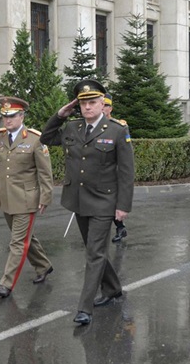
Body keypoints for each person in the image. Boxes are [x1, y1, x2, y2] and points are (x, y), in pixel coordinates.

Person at [40, 79, 135, 326]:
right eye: (83, 103)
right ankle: (113, 288)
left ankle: (85, 309)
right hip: (78, 201)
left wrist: (122, 206)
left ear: (103, 103)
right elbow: (46, 138)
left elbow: (126, 172)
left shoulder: (116, 130)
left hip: (104, 201)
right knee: (95, 250)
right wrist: (60, 115)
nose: (87, 107)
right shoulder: (72, 128)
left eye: (92, 102)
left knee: (94, 253)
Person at [0, 97, 54, 298]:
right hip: (6, 198)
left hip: (27, 200)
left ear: (22, 116)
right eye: (4, 116)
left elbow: (45, 173)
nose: (7, 121)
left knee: (17, 242)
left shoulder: (35, 139)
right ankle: (43, 265)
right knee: (25, 237)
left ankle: (6, 284)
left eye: (11, 116)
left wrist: (45, 197)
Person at [103, 93, 128, 243]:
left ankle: (119, 227)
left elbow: (124, 153)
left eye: (106, 106)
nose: (103, 108)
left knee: (111, 203)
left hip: (114, 172)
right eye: (102, 105)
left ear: (110, 108)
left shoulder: (119, 126)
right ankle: (120, 228)